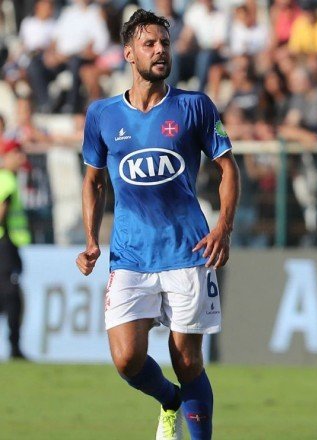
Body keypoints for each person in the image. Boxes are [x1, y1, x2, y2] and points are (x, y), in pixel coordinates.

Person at [75, 10, 239, 440]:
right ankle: (169, 401)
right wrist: (92, 240)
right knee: (127, 360)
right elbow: (92, 181)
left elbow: (228, 168)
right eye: (149, 44)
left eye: (165, 43)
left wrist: (223, 227)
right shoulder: (102, 115)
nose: (160, 50)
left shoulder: (194, 106)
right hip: (129, 254)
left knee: (188, 361)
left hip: (188, 249)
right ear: (129, 53)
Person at [0, 140, 31, 360]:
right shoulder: (7, 180)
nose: (21, 159)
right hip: (5, 245)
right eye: (17, 154)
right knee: (12, 298)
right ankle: (15, 348)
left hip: (8, 244)